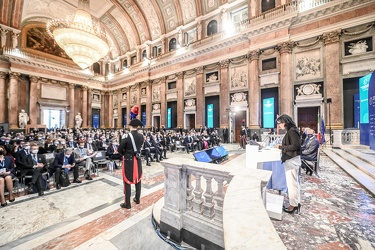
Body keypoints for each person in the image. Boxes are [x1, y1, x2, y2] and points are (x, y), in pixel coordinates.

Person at [275, 114, 302, 214]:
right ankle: (296, 203)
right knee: (294, 183)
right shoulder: (291, 131)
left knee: (292, 184)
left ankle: (293, 205)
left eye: (279, 123)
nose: (279, 126)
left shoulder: (292, 131)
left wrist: (281, 147)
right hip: (292, 160)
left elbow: (296, 145)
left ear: (284, 122)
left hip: (292, 160)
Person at [118, 119, 144, 209]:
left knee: (127, 181)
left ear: (130, 126)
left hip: (129, 161)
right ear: (137, 127)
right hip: (137, 160)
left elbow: (120, 149)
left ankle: (127, 204)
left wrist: (125, 153)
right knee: (138, 179)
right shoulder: (141, 136)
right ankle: (137, 199)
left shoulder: (126, 136)